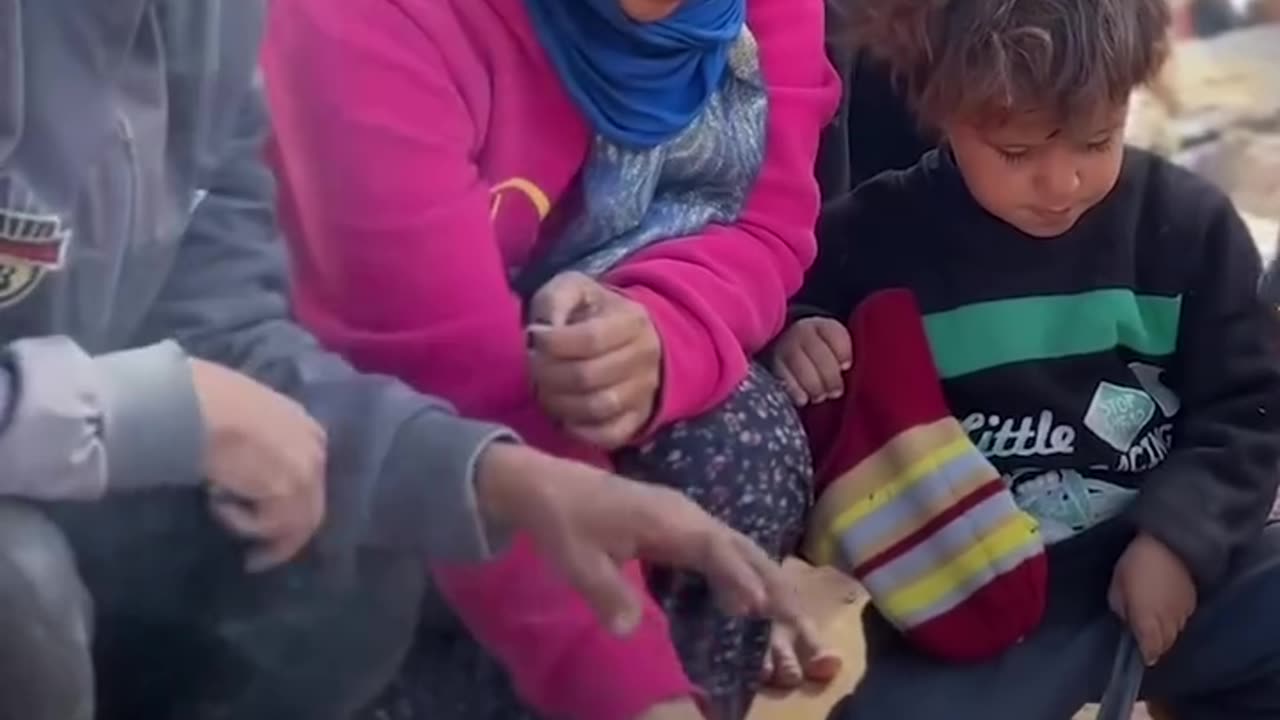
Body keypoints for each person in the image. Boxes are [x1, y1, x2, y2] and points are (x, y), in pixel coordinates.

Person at [0, 3, 809, 720]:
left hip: (103, 445)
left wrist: (509, 481)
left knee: (351, 564)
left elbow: (228, 323)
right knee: (22, 590)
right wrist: (155, 410)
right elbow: (425, 360)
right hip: (52, 489)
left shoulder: (211, 22)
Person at [262, 0, 841, 717]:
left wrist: (662, 329)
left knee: (739, 451)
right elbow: (451, 390)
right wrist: (638, 689)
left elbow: (767, 225)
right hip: (358, 413)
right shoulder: (362, 20)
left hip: (539, 370)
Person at [772, 0, 1280, 717]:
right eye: (1017, 152)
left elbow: (1249, 410)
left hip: (1180, 567)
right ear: (942, 109)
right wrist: (799, 332)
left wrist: (1180, 541)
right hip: (982, 612)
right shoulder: (869, 241)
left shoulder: (1190, 227)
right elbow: (781, 305)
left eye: (1095, 140)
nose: (1062, 182)